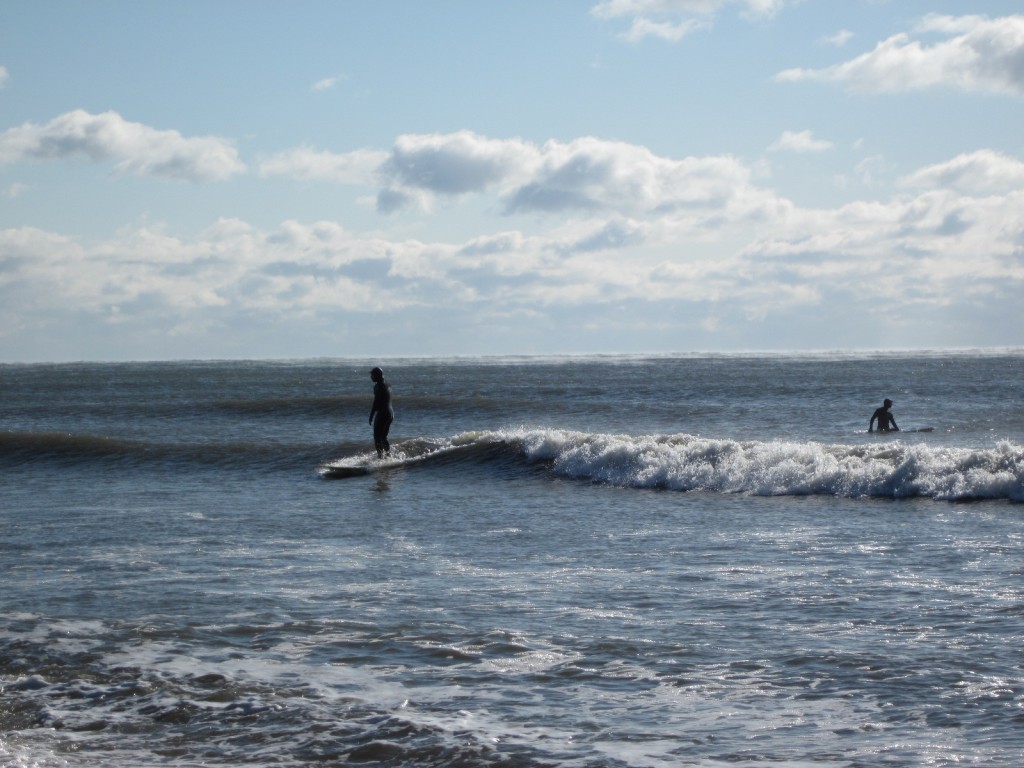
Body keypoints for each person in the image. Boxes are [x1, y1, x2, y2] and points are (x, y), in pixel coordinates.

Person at [368, 367, 394, 458]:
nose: (371, 377)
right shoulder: (388, 384)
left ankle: (380, 458)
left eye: (372, 375)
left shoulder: (378, 386)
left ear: (377, 375)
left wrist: (371, 415)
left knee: (377, 438)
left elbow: (376, 402)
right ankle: (388, 456)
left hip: (382, 414)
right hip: (390, 413)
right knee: (383, 437)